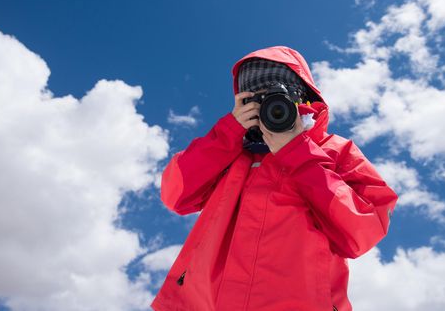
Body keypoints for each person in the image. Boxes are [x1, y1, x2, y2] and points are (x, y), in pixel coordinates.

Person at [150, 46, 398, 311]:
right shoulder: (229, 153)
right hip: (206, 302)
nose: (267, 106)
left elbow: (364, 227)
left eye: (275, 97)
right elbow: (175, 194)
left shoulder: (333, 149)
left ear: (300, 97)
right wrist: (228, 132)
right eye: (254, 99)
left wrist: (296, 151)